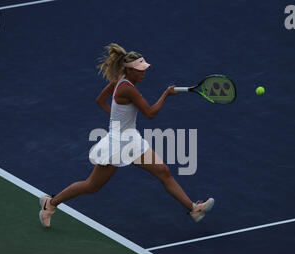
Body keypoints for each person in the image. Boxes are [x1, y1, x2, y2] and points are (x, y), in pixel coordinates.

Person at [39, 43, 214, 227]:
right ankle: (50, 203)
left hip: (132, 139)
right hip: (118, 145)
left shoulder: (120, 80)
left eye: (144, 69)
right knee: (92, 186)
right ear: (129, 71)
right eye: (139, 71)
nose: (143, 73)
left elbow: (100, 101)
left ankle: (194, 208)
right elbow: (150, 114)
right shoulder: (128, 88)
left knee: (163, 172)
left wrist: (117, 123)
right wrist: (166, 94)